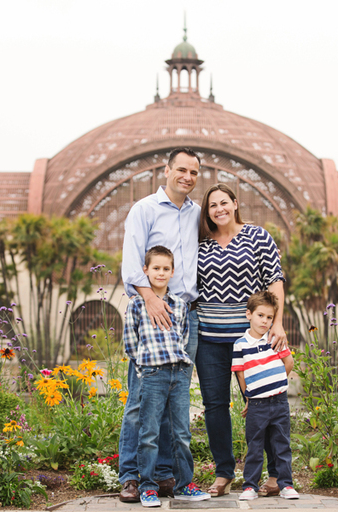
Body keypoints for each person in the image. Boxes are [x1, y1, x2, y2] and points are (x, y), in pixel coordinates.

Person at [118, 148, 201, 502]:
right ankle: (131, 475)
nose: (187, 176)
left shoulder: (198, 213)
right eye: (180, 169)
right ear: (166, 171)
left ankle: (164, 475)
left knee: (173, 400)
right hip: (151, 309)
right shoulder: (145, 209)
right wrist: (152, 300)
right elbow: (131, 262)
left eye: (193, 172)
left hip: (186, 312)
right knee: (140, 399)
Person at [195, 183, 287, 496]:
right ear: (206, 212)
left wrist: (278, 323)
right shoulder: (200, 243)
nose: (218, 209)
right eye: (211, 206)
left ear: (235, 204)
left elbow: (274, 281)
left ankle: (275, 476)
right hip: (209, 339)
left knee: (265, 402)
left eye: (224, 203)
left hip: (253, 339)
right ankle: (224, 472)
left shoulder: (258, 236)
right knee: (215, 406)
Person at [123, 246, 210, 507]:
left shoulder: (181, 306)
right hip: (152, 374)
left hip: (178, 373)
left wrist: (181, 368)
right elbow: (131, 343)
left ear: (172, 272)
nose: (160, 273)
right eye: (156, 268)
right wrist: (143, 371)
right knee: (149, 433)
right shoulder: (137, 305)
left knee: (181, 432)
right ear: (146, 271)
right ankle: (147, 486)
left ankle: (184, 484)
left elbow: (183, 338)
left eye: (165, 269)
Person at [232, 291, 298, 501]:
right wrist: (248, 398)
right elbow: (240, 374)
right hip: (257, 405)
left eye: (269, 317)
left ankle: (285, 484)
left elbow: (289, 363)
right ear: (248, 314)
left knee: (281, 445)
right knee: (255, 446)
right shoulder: (240, 345)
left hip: (279, 401)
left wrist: (276, 383)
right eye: (261, 315)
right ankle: (250, 486)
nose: (265, 321)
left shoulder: (275, 339)